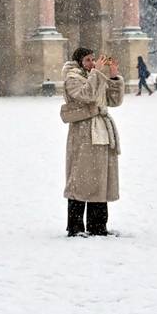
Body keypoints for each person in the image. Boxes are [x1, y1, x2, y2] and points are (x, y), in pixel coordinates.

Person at [61, 47, 124, 237]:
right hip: (83, 135)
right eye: (88, 60)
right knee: (80, 180)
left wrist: (113, 77)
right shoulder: (72, 79)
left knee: (100, 179)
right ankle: (76, 227)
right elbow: (86, 96)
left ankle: (98, 226)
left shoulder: (93, 76)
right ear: (79, 61)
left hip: (101, 132)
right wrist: (96, 73)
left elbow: (113, 101)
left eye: (93, 60)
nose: (92, 63)